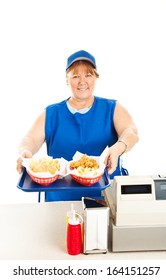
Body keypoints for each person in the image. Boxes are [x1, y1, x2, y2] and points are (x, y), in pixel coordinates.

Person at [16, 50, 139, 201]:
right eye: (75, 76)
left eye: (88, 75)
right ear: (67, 80)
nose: (82, 81)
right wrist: (25, 152)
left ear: (96, 78)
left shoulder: (112, 108)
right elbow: (30, 139)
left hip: (105, 198)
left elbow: (131, 132)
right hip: (60, 200)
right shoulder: (51, 113)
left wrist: (118, 147)